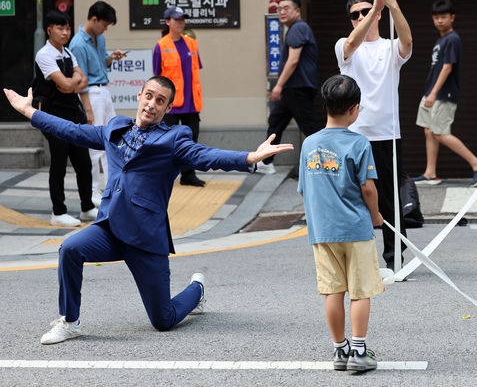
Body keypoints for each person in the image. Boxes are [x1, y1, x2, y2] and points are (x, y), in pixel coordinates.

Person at [3, 76, 294, 345]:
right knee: (70, 248)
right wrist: (30, 112)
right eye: (149, 96)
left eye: (160, 101)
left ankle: (197, 290)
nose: (152, 105)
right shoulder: (115, 128)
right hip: (110, 228)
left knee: (163, 320)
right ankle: (69, 321)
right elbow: (72, 131)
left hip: (145, 239)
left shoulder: (174, 139)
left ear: (167, 108)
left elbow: (207, 156)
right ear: (139, 96)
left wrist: (250, 157)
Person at [298, 74, 385, 372]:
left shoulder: (309, 144)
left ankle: (340, 350)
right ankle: (360, 351)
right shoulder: (360, 143)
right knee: (360, 291)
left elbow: (304, 189)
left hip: (322, 231)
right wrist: (375, 215)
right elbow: (368, 188)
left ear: (325, 106)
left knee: (332, 290)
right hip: (356, 229)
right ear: (354, 108)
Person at [335, 0, 412, 270]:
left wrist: (392, 5)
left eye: (366, 11)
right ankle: (358, 260)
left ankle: (395, 261)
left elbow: (407, 42)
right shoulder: (345, 46)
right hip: (353, 135)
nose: (360, 17)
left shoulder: (390, 47)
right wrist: (376, 7)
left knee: (390, 201)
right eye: (355, 14)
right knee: (355, 199)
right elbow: (353, 41)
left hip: (387, 134)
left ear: (379, 14)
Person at [32, 9, 96, 227]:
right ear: (49, 30)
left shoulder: (68, 52)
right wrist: (71, 82)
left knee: (83, 161)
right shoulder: (44, 55)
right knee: (59, 161)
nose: (65, 32)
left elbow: (82, 81)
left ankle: (87, 207)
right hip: (52, 114)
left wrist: (72, 85)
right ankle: (58, 212)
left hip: (73, 111)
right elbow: (69, 83)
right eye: (60, 28)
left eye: (67, 28)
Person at [413, 0, 477, 187]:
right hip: (432, 92)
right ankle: (430, 173)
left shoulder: (452, 38)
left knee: (440, 133)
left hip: (442, 94)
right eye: (436, 17)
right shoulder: (441, 39)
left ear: (452, 17)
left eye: (443, 17)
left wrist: (433, 93)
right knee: (429, 131)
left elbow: (447, 67)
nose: (439, 21)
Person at [69, 1, 126, 205]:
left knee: (113, 138)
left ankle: (112, 185)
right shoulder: (77, 43)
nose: (105, 28)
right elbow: (81, 79)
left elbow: (103, 62)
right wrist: (88, 109)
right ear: (94, 19)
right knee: (94, 146)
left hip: (104, 90)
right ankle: (94, 191)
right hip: (91, 94)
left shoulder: (99, 37)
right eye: (104, 24)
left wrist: (112, 57)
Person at [257, 0, 321, 175]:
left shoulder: (298, 28)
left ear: (298, 11)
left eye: (286, 8)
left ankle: (327, 164)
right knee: (276, 122)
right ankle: (266, 161)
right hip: (292, 89)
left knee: (310, 128)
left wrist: (278, 85)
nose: (282, 12)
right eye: (279, 9)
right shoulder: (295, 29)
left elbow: (293, 61)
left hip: (298, 88)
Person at [153, 6, 206, 187]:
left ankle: (188, 175)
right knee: (167, 141)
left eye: (183, 19)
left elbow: (195, 71)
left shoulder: (191, 43)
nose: (180, 23)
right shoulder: (161, 45)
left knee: (191, 140)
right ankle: (164, 174)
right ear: (167, 22)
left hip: (191, 102)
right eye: (176, 19)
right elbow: (157, 77)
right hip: (171, 104)